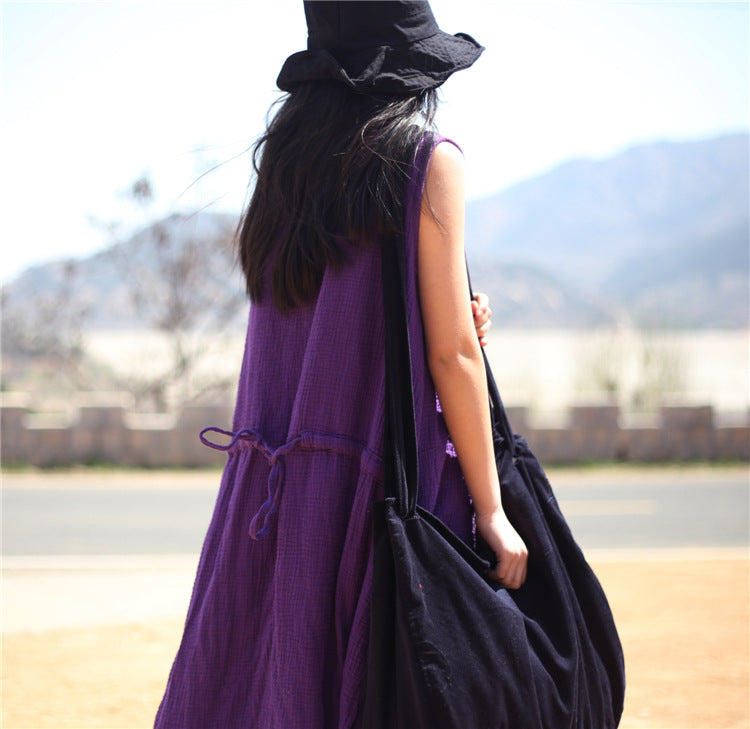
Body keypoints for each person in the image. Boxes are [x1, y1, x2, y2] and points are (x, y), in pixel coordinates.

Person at [154, 2, 527, 727]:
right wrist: (491, 508)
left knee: (257, 694)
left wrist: (443, 314)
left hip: (269, 496)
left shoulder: (286, 166)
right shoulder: (426, 157)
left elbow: (323, 310)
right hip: (376, 490)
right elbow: (452, 355)